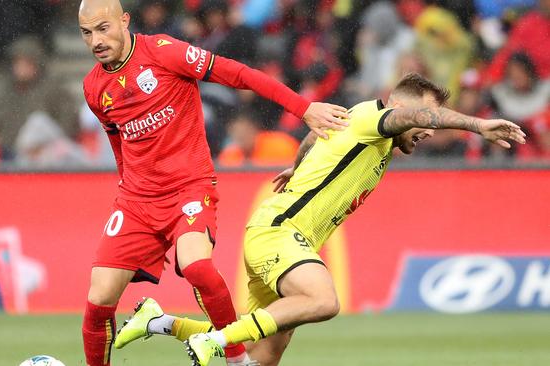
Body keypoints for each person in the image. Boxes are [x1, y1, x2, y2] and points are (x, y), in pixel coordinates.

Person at [114, 73, 526, 366]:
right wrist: (477, 125)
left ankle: (159, 321)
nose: (429, 130)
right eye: (426, 118)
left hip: (278, 235)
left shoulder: (358, 124)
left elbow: (315, 134)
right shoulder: (374, 119)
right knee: (323, 301)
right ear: (400, 107)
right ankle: (215, 340)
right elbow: (412, 119)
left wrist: (299, 167)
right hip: (281, 233)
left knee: (262, 356)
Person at [77, 1, 349, 366]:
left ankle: (236, 361)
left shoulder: (164, 52)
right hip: (136, 200)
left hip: (188, 188)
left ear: (124, 21)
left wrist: (303, 108)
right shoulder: (94, 87)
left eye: (103, 27)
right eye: (87, 33)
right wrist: (127, 186)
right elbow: (118, 141)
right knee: (98, 301)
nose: (96, 39)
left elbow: (240, 74)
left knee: (197, 267)